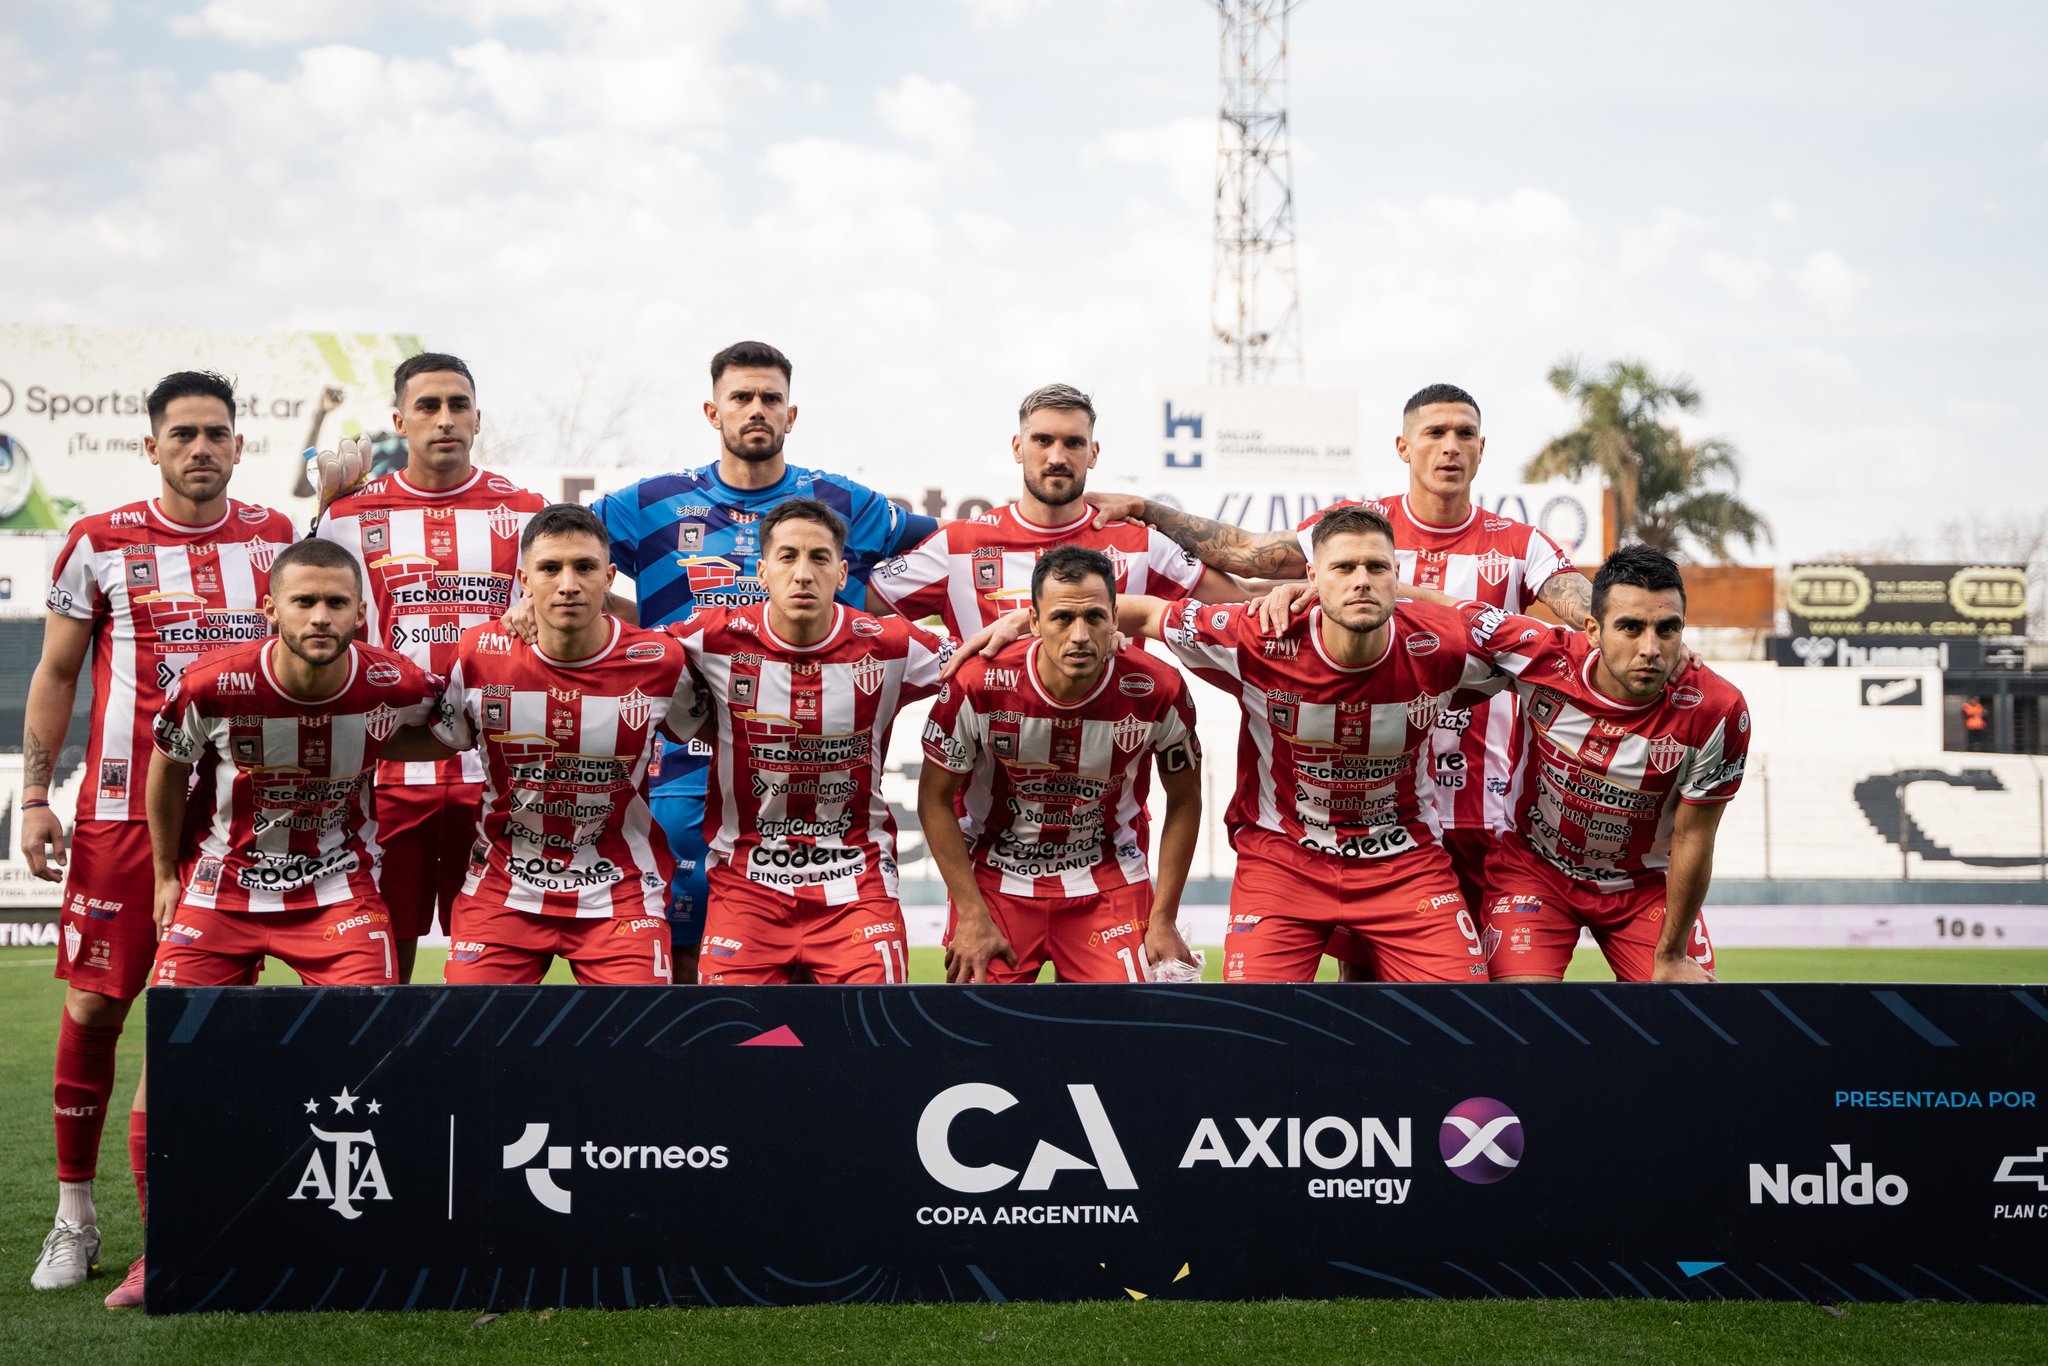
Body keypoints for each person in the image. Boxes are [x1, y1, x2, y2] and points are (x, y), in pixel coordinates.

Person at [1088, 384, 1588, 972]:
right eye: (1435, 433)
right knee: (1359, 978)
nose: (1450, 448)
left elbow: (1589, 618)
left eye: (1464, 435)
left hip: (1477, 808)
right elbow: (1248, 555)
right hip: (1343, 814)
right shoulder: (1355, 528)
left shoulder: (1523, 546)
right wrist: (1149, 510)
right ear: (1404, 446)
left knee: (1476, 1002)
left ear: (1483, 449)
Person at [25, 371, 296, 1304]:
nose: (201, 448)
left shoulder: (274, 541)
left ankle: (215, 1215)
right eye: (183, 433)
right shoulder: (97, 541)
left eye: (217, 432)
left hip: (244, 816)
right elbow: (58, 673)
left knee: (200, 1027)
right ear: (151, 446)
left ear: (238, 445)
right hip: (114, 814)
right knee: (100, 1009)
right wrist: (33, 796)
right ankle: (74, 1215)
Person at [558, 341, 938, 982]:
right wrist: (619, 630)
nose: (756, 409)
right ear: (713, 411)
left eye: (770, 398)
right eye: (741, 397)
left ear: (792, 414)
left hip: (809, 774)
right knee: (691, 966)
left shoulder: (844, 503)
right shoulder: (649, 502)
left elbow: (953, 557)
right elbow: (554, 547)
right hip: (678, 765)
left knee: (821, 975)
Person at [1115, 504, 1502, 982]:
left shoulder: (1445, 643)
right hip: (1284, 863)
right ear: (1313, 577)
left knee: (1467, 1025)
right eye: (1343, 569)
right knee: (1255, 1036)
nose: (1361, 581)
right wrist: (1030, 625)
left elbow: (1544, 648)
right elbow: (1146, 613)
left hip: (1405, 863)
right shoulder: (1259, 635)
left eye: (1377, 568)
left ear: (1396, 576)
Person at [314, 352, 548, 981]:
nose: (444, 419)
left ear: (478, 418)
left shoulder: (528, 511)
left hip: (497, 769)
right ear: (399, 420)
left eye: (458, 405)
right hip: (390, 766)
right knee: (383, 959)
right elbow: (315, 625)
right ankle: (386, 1083)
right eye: (427, 406)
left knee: (488, 965)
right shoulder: (347, 516)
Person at [669, 498, 951, 984]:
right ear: (762, 571)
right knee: (733, 1045)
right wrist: (530, 619)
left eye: (819, 558)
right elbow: (617, 657)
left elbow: (985, 666)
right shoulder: (708, 639)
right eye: (787, 557)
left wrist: (1015, 623)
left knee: (874, 1042)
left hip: (857, 888)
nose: (803, 574)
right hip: (746, 891)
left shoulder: (892, 643)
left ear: (842, 574)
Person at [147, 537, 450, 986]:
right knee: (174, 1048)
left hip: (337, 888)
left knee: (367, 1041)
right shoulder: (210, 685)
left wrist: (370, 741)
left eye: (337, 602)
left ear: (361, 613)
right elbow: (168, 769)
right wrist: (164, 876)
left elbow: (446, 736)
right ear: (270, 609)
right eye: (304, 601)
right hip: (221, 887)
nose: (321, 617)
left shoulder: (395, 682)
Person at [428, 505, 705, 984]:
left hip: (620, 892)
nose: (568, 584)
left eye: (585, 567)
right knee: (469, 1043)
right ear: (524, 579)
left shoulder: (660, 661)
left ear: (610, 576)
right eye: (550, 568)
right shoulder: (477, 654)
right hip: (502, 892)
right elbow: (429, 739)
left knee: (638, 1047)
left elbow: (717, 730)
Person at [1451, 545, 1748, 983]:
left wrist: (1669, 956)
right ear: (1592, 629)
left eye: (1667, 630)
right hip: (1535, 871)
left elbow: (1693, 838)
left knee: (1688, 1023)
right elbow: (1454, 610)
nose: (1651, 648)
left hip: (1644, 888)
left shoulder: (1717, 710)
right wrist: (1340, 591)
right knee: (1520, 1019)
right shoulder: (1543, 656)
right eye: (1630, 627)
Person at [919, 545, 1202, 983]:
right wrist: (971, 913)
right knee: (977, 1036)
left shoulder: (1156, 688)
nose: (1079, 636)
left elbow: (1185, 801)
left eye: (1094, 617)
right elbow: (933, 801)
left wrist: (1163, 918)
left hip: (1109, 879)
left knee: (1127, 1035)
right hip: (996, 882)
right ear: (1033, 622)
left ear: (1115, 618)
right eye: (1062, 618)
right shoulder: (978, 685)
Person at [869, 383, 1235, 634]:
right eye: (1042, 440)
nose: (1057, 457)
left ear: (1093, 454)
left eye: (1073, 443)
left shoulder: (1141, 544)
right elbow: (841, 607)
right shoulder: (958, 544)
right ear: (1017, 448)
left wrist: (1287, 591)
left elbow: (1244, 606)